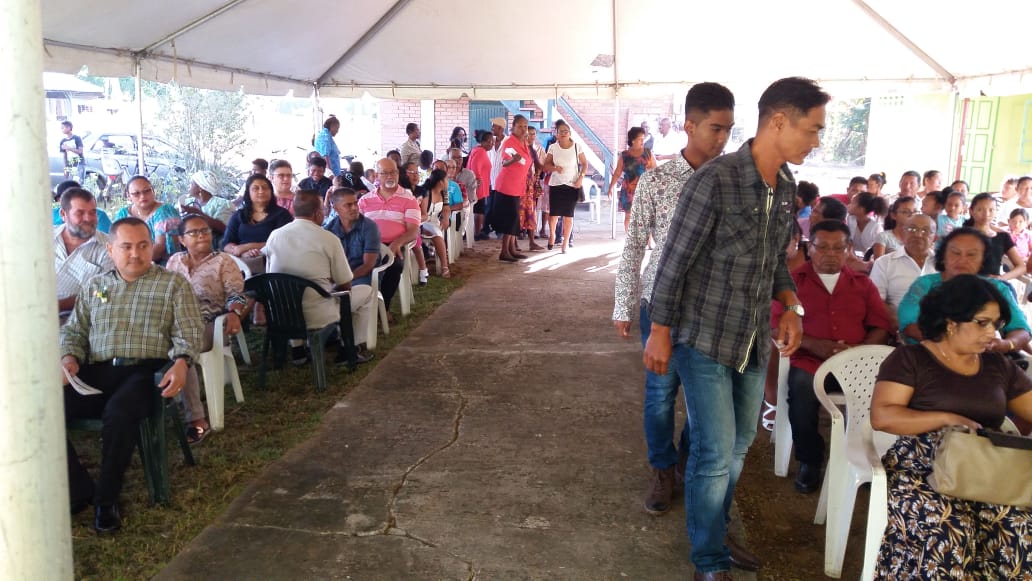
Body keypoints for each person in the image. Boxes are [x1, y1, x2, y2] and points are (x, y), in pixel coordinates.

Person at [644, 77, 830, 579]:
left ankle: (718, 531)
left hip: (752, 340)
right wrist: (660, 329)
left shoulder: (785, 185)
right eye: (813, 129)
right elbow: (673, 262)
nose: (816, 140)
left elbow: (773, 262)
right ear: (778, 122)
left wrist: (790, 304)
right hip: (703, 338)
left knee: (739, 446)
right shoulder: (716, 180)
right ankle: (708, 560)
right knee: (713, 452)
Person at [612, 82, 735, 515]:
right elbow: (633, 246)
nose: (723, 138)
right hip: (661, 303)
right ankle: (663, 469)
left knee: (707, 398)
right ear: (689, 126)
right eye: (715, 128)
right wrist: (624, 303)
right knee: (661, 394)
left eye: (729, 129)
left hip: (714, 308)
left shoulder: (733, 181)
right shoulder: (657, 180)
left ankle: (685, 460)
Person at [870, 274, 1032, 578]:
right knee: (950, 529)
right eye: (982, 323)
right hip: (922, 468)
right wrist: (946, 418)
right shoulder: (911, 359)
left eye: (996, 323)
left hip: (986, 468)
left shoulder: (999, 366)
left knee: (1019, 527)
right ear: (950, 322)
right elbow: (883, 416)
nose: (992, 333)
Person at [61, 217, 204, 532]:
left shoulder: (172, 284)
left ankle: (106, 500)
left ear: (152, 246)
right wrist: (69, 357)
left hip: (145, 372)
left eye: (143, 245)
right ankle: (78, 489)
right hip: (97, 371)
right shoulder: (95, 285)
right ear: (110, 250)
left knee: (119, 414)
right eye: (126, 247)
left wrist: (182, 362)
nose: (135, 254)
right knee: (43, 410)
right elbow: (74, 332)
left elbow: (190, 333)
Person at [771, 220, 891, 493]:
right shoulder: (791, 284)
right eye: (822, 247)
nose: (831, 254)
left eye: (839, 248)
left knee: (881, 393)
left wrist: (861, 352)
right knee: (801, 389)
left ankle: (865, 461)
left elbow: (881, 325)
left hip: (855, 363)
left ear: (849, 249)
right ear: (809, 248)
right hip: (810, 362)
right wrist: (817, 346)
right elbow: (777, 327)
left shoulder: (862, 284)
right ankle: (810, 460)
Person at [165, 214, 248, 443]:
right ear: (182, 240)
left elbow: (236, 294)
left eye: (205, 231)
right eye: (194, 232)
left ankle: (196, 419)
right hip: (174, 323)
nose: (201, 235)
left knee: (182, 348)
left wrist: (234, 313)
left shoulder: (223, 261)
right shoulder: (174, 262)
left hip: (210, 324)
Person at [263, 190, 369, 365]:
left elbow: (271, 276)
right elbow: (346, 284)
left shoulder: (274, 236)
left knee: (290, 293)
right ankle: (348, 349)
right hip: (317, 315)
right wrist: (330, 287)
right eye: (324, 209)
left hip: (282, 314)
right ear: (317, 213)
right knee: (367, 292)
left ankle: (297, 350)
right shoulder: (328, 239)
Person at [898, 228, 1031, 353]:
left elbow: (1021, 330)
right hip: (929, 355)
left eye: (971, 255)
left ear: (983, 260)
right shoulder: (924, 285)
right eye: (956, 253)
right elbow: (909, 326)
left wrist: (1007, 344)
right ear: (943, 256)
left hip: (986, 357)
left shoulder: (997, 289)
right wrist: (958, 348)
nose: (962, 260)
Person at [358, 158, 420, 312]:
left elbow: (413, 230)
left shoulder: (409, 199)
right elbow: (357, 227)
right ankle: (358, 304)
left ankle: (383, 307)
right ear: (377, 176)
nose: (390, 176)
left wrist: (397, 243)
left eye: (393, 172)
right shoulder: (365, 200)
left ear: (398, 173)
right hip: (368, 245)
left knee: (395, 266)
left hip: (394, 244)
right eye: (384, 173)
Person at [325, 187, 380, 356]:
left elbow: (368, 265)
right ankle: (335, 333)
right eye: (348, 205)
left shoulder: (369, 226)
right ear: (336, 208)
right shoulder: (328, 230)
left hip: (362, 275)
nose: (355, 208)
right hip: (337, 278)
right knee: (325, 296)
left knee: (357, 295)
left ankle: (352, 344)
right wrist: (335, 281)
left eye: (355, 203)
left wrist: (345, 280)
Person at [870, 213, 937, 332]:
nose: (918, 235)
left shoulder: (943, 264)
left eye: (925, 231)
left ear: (934, 237)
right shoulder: (884, 263)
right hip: (900, 328)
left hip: (939, 330)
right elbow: (876, 300)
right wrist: (900, 321)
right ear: (903, 232)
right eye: (912, 229)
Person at [55, 187, 114, 315]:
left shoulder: (108, 247)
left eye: (92, 212)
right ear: (63, 214)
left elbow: (105, 294)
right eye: (80, 213)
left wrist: (58, 305)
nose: (88, 219)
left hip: (75, 318)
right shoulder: (44, 237)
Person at [223, 174, 293, 274]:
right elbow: (227, 243)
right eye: (255, 188)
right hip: (241, 267)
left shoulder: (282, 214)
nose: (261, 191)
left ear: (271, 191)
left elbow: (281, 243)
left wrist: (248, 246)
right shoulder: (239, 215)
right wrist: (242, 253)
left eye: (265, 188)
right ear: (248, 193)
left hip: (273, 266)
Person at [543, 119, 589, 253]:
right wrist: (555, 168)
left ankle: (565, 242)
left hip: (572, 185)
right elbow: (546, 165)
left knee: (569, 215)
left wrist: (581, 177)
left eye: (566, 131)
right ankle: (552, 235)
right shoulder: (553, 147)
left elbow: (585, 164)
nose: (563, 133)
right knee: (554, 215)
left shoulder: (576, 147)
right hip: (556, 184)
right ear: (556, 134)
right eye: (561, 131)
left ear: (570, 133)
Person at [113, 176, 181, 264]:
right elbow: (117, 244)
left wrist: (134, 263)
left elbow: (160, 248)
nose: (142, 196)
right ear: (128, 196)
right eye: (136, 193)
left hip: (165, 265)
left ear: (153, 191)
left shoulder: (165, 211)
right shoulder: (123, 214)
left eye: (146, 191)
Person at [492, 115, 532, 263]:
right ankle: (504, 251)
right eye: (520, 126)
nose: (523, 129)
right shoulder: (509, 142)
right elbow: (505, 162)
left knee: (514, 219)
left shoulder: (524, 142)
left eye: (525, 126)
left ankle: (512, 249)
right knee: (510, 219)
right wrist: (513, 160)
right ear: (513, 127)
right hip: (507, 186)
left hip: (518, 185)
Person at [964, 192, 1026, 281]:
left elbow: (1022, 267)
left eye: (991, 210)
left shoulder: (1003, 237)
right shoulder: (962, 236)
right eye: (980, 210)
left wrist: (1002, 278)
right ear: (971, 211)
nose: (986, 214)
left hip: (992, 285)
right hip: (966, 282)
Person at [608, 127, 657, 232]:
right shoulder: (625, 155)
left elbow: (656, 171)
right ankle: (630, 237)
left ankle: (647, 239)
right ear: (633, 140)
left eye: (643, 139)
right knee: (629, 216)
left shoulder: (648, 153)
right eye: (640, 139)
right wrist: (611, 187)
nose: (642, 141)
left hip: (645, 189)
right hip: (628, 190)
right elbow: (617, 173)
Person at [419, 169, 453, 278]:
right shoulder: (426, 192)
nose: (448, 181)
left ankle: (434, 256)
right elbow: (423, 214)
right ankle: (444, 266)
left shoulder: (444, 193)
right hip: (423, 221)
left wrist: (446, 218)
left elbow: (446, 208)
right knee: (437, 234)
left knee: (437, 230)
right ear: (440, 182)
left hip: (435, 221)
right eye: (446, 179)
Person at [181, 170, 233, 239]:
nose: (189, 186)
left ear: (200, 187)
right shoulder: (187, 202)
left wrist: (199, 214)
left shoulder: (222, 204)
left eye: (191, 184)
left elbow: (224, 229)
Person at [468, 131, 495, 241]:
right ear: (483, 142)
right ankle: (477, 233)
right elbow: (475, 167)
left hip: (481, 185)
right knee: (479, 209)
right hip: (479, 186)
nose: (492, 144)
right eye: (490, 142)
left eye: (492, 142)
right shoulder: (480, 152)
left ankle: (477, 231)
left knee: (479, 209)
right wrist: (478, 181)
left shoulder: (479, 150)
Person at [846, 191, 887, 256]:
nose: (848, 205)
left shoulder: (876, 227)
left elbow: (879, 252)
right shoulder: (849, 219)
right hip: (851, 257)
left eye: (852, 203)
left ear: (861, 209)